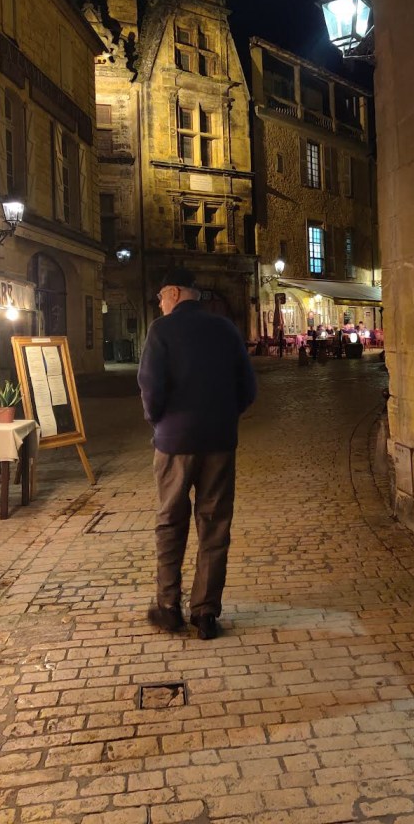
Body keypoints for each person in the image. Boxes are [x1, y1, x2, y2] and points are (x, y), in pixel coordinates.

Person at [137, 266, 257, 640]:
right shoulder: (225, 329)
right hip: (219, 440)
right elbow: (248, 388)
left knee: (170, 522)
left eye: (160, 296)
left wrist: (160, 422)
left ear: (173, 293)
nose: (160, 303)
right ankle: (205, 613)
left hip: (175, 442)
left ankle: (168, 606)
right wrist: (223, 417)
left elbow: (150, 388)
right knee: (215, 523)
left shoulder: (161, 330)